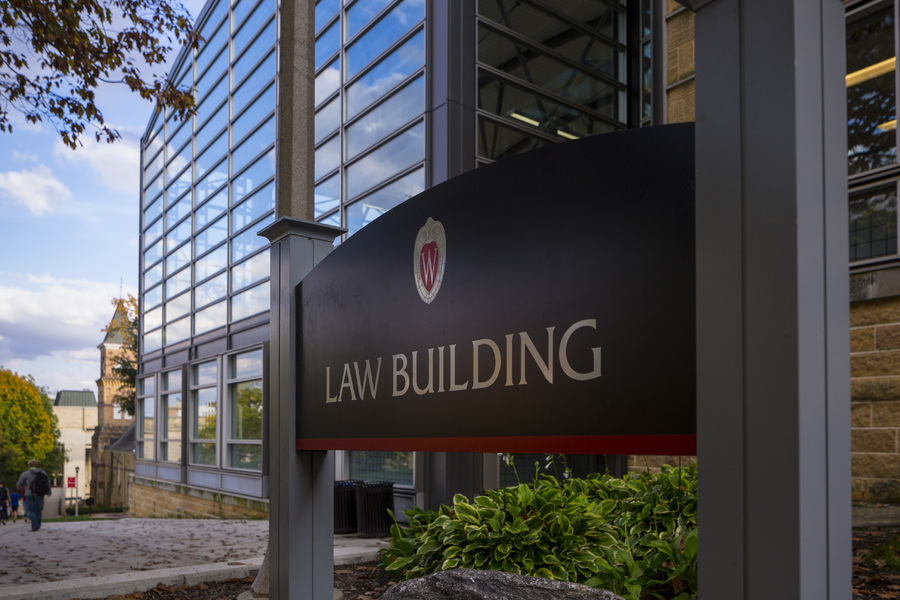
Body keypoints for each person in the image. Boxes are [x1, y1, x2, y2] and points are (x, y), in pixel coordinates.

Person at [17, 460, 51, 531]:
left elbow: (19, 483)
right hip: (40, 494)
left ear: (29, 465)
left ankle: (34, 525)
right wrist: (48, 491)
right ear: (37, 465)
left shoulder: (26, 474)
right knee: (39, 510)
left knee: (32, 510)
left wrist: (20, 489)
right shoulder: (42, 472)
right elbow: (48, 482)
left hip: (29, 494)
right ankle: (38, 525)